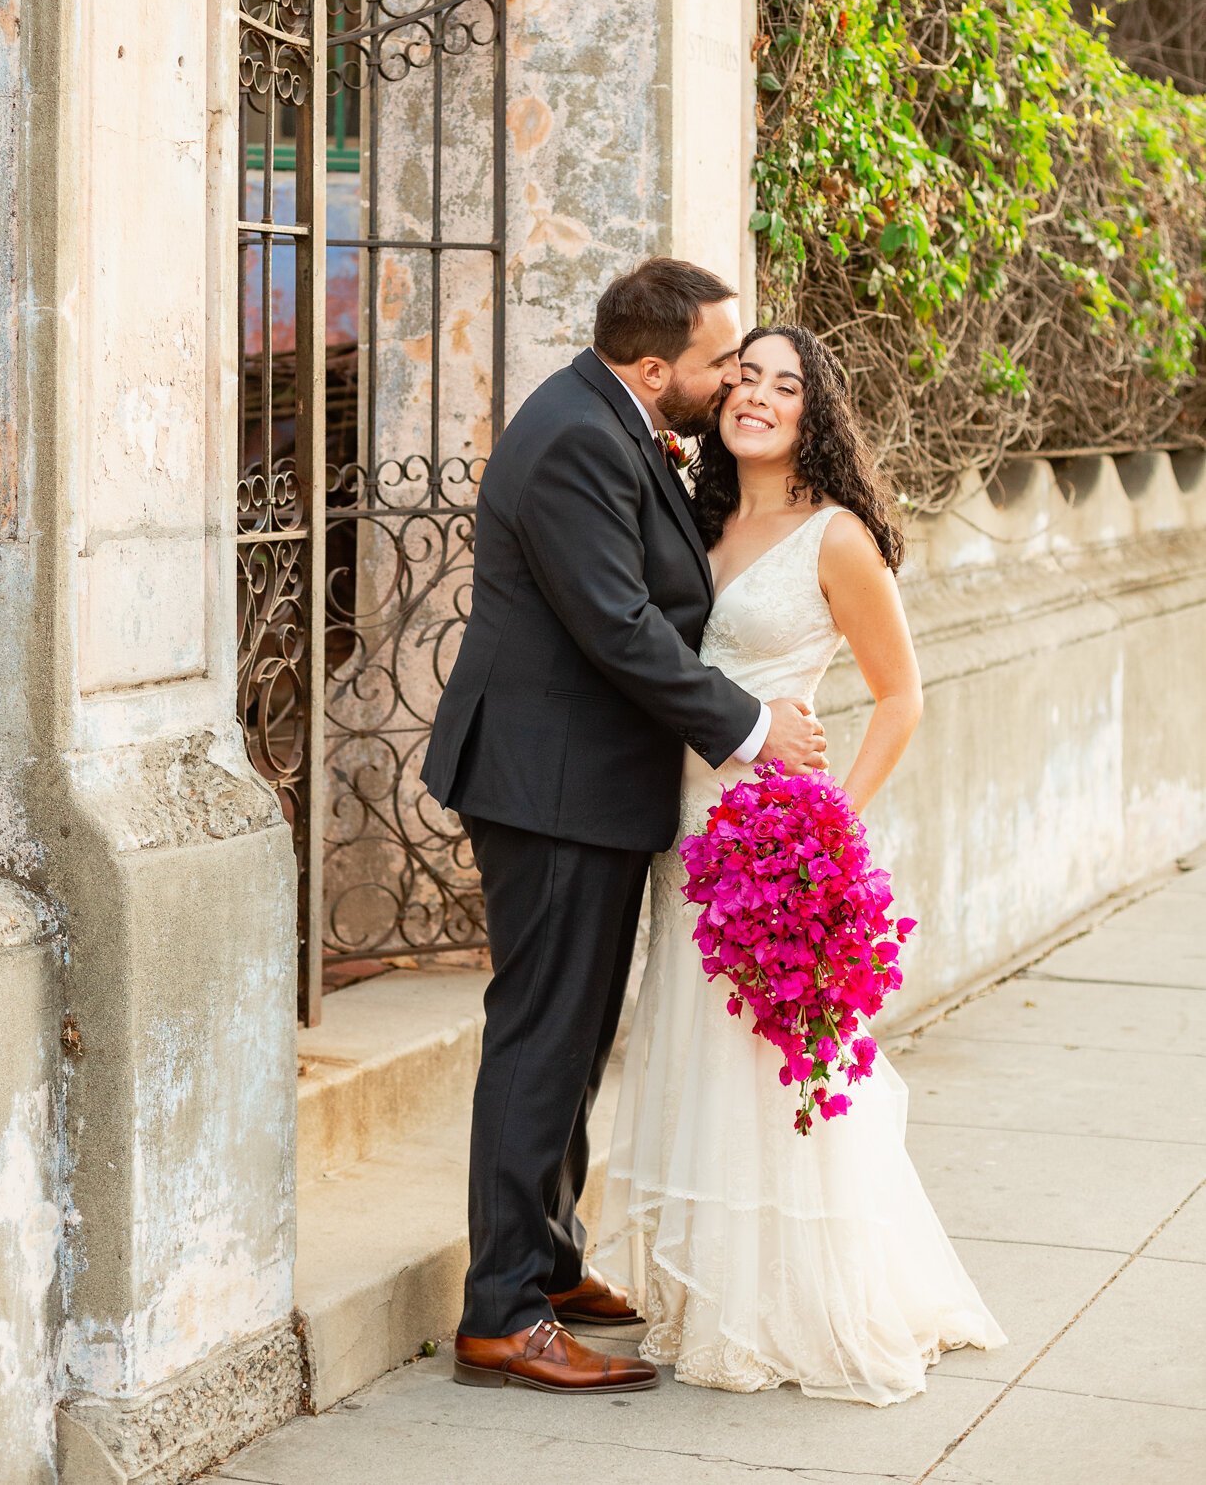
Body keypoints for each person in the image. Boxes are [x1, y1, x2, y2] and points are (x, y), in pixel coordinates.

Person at [421, 259, 829, 1395]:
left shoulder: (613, 417)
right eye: (717, 362)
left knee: (575, 1032)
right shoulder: (574, 440)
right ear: (656, 366)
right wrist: (750, 727)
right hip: (547, 786)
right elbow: (619, 626)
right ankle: (501, 1313)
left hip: (582, 785)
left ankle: (547, 1265)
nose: (729, 377)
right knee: (542, 1037)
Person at [595, 323, 1005, 1402]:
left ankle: (780, 1307)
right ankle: (702, 1297)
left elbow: (902, 696)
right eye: (746, 379)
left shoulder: (837, 540)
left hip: (772, 845)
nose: (760, 397)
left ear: (813, 414)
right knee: (692, 1052)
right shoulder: (694, 516)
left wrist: (830, 825)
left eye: (786, 385)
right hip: (681, 831)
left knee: (768, 1072)